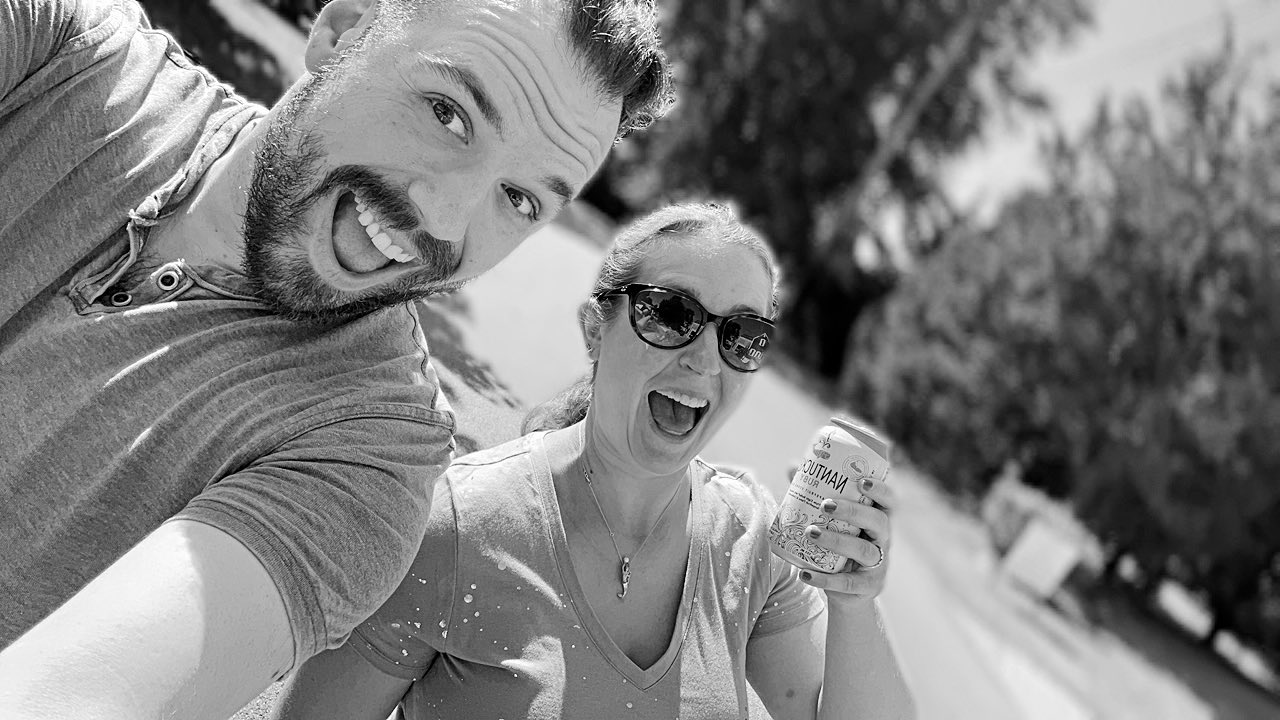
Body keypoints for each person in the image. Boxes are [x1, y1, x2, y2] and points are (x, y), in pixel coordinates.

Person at [0, 0, 671, 717]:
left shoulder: (369, 462)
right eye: (449, 114)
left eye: (519, 199)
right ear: (343, 30)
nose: (445, 219)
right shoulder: (60, 52)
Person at [271, 203, 916, 719]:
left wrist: (854, 604)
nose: (704, 359)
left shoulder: (749, 545)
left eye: (741, 336)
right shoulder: (455, 527)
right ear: (594, 330)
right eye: (672, 314)